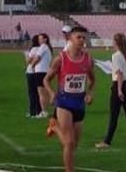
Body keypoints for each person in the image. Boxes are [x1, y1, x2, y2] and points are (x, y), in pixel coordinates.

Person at [44, 26, 95, 172]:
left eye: (84, 37)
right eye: (78, 37)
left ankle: (54, 126)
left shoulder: (88, 59)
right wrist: (51, 93)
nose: (82, 40)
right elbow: (46, 80)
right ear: (70, 38)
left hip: (79, 104)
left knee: (74, 146)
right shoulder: (60, 59)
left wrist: (89, 93)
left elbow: (92, 80)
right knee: (69, 142)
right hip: (64, 103)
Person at [32, 33, 53, 117]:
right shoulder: (47, 48)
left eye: (41, 39)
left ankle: (43, 111)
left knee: (41, 93)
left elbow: (37, 57)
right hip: (45, 71)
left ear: (45, 39)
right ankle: (46, 110)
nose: (39, 40)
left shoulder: (43, 47)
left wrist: (32, 65)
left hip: (40, 71)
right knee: (45, 92)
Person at [25, 35, 42, 117]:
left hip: (31, 72)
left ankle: (32, 111)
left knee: (32, 93)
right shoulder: (42, 49)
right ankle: (39, 110)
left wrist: (26, 54)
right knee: (38, 93)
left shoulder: (34, 49)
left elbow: (28, 61)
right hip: (39, 71)